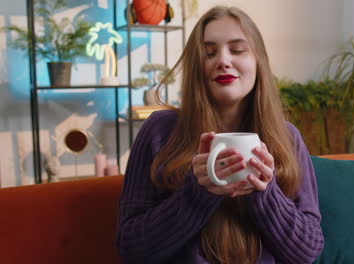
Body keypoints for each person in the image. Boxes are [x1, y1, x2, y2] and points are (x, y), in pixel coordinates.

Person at [116, 6, 324, 264]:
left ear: (258, 61)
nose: (223, 60)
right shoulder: (160, 130)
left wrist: (265, 194)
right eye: (209, 52)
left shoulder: (287, 138)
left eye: (237, 50)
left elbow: (308, 251)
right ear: (196, 67)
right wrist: (195, 196)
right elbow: (130, 246)